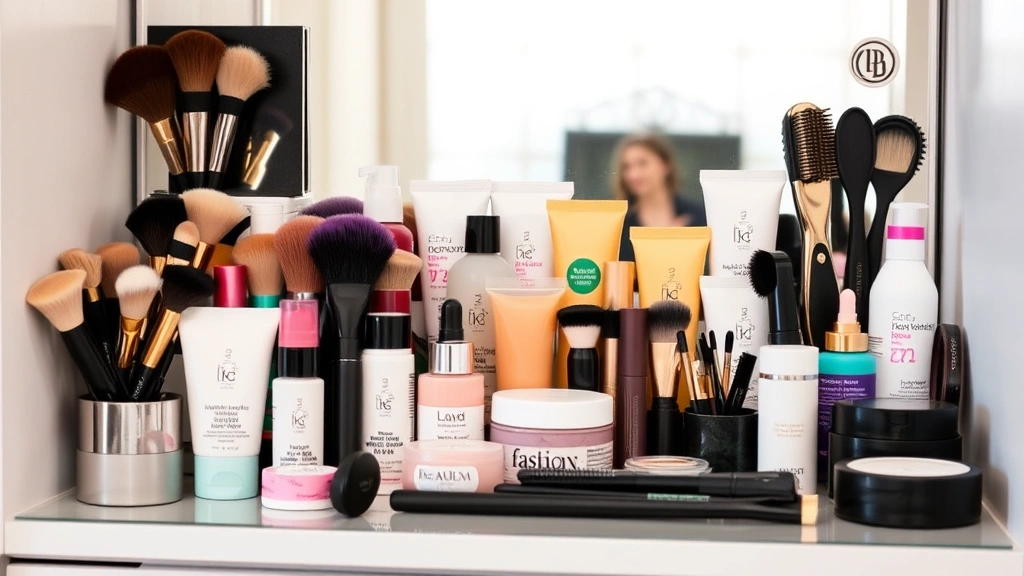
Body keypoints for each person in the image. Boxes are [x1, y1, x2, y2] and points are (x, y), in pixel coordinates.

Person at [613, 133, 707, 261]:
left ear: (665, 165)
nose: (634, 175)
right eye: (627, 167)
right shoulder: (620, 226)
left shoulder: (698, 215)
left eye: (642, 163)